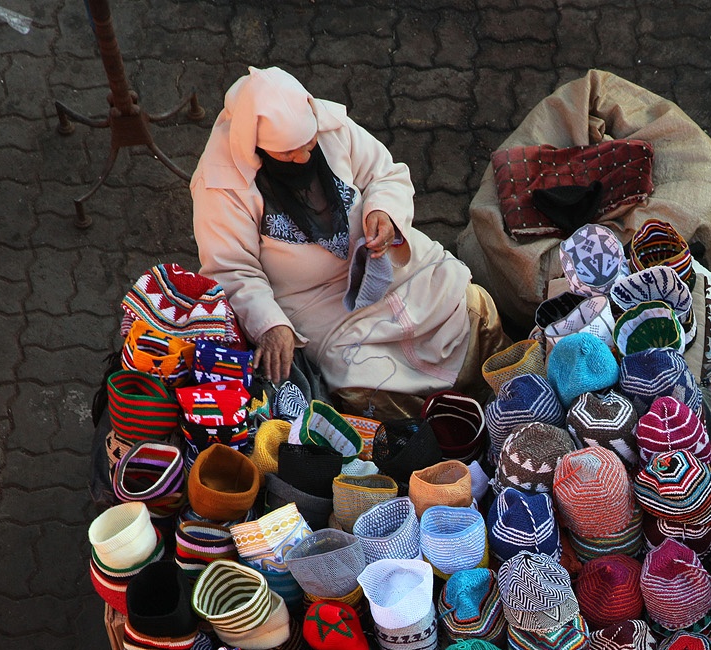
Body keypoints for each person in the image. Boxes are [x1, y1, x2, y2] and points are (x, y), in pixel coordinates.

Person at [190, 66, 505, 401]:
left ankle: (502, 387)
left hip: (388, 267)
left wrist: (382, 212)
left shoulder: (331, 127)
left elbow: (384, 174)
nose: (303, 157)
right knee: (363, 383)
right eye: (287, 154)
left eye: (309, 144)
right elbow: (231, 269)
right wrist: (270, 324)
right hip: (315, 304)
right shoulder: (220, 187)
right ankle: (439, 428)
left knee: (470, 305)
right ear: (256, 147)